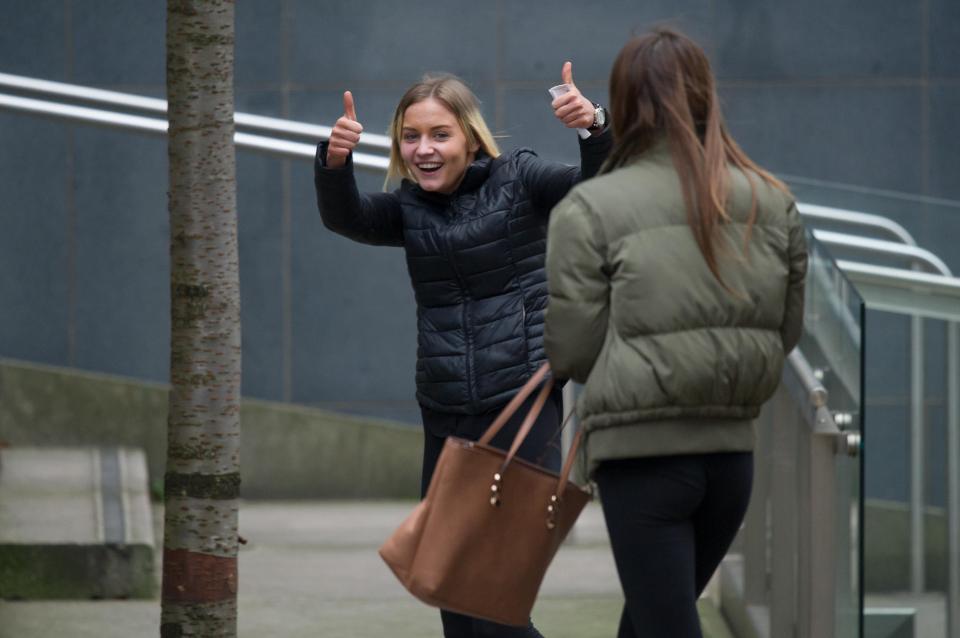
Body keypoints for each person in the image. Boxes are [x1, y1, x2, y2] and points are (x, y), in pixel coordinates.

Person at [314, 67, 612, 638]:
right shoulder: (409, 207)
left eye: (439, 134)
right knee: (452, 592)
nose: (423, 149)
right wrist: (334, 160)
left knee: (495, 606)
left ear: (471, 138)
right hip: (446, 413)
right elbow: (347, 217)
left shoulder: (519, 178)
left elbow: (595, 189)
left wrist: (593, 127)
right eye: (410, 136)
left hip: (521, 404)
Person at [543, 28, 808, 638]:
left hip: (640, 458)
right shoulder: (771, 200)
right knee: (651, 622)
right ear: (705, 95)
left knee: (660, 624)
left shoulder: (591, 209)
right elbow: (784, 331)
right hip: (732, 455)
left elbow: (574, 352)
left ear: (624, 100)